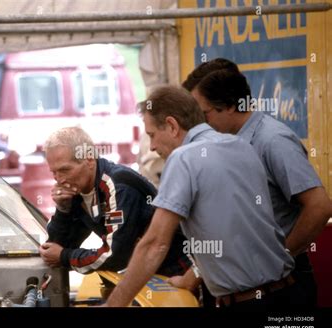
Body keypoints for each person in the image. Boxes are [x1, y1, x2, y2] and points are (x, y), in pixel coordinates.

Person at [104, 85, 301, 307]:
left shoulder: (183, 158)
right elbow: (231, 232)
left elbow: (154, 245)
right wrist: (192, 276)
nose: (152, 147)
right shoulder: (242, 145)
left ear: (171, 125)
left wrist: (113, 305)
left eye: (152, 135)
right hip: (289, 292)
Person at [182, 59, 332, 305]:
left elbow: (320, 207)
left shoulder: (273, 141)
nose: (199, 123)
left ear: (230, 105)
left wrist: (277, 260)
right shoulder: (224, 144)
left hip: (282, 287)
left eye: (203, 114)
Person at [39, 126, 191, 277]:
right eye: (54, 172)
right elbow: (55, 249)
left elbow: (115, 256)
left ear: (90, 159)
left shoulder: (118, 186)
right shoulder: (78, 190)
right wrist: (63, 209)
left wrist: (65, 256)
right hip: (145, 272)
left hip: (179, 270)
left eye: (65, 170)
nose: (59, 179)